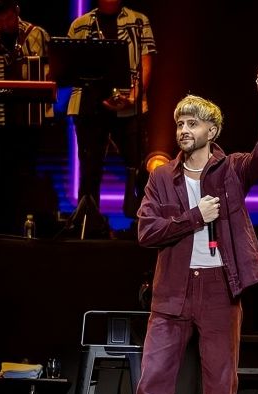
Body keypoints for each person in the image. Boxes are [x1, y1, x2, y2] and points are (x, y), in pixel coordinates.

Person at [113, 67, 258, 394]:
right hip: (171, 292)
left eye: (192, 123)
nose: (183, 130)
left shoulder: (232, 170)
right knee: (153, 384)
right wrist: (194, 218)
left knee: (220, 391)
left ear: (213, 130)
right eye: (180, 124)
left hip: (219, 289)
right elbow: (146, 231)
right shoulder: (161, 178)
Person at [66, 0, 156, 232]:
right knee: (90, 166)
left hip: (128, 104)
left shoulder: (138, 21)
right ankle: (88, 223)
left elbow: (146, 60)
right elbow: (70, 65)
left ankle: (142, 221)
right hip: (89, 106)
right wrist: (98, 96)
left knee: (137, 163)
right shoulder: (81, 24)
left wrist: (134, 96)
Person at [0, 0, 52, 235]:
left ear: (16, 11)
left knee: (26, 174)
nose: (4, 24)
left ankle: (24, 229)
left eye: (8, 19)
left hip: (29, 119)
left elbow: (53, 72)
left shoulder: (37, 34)